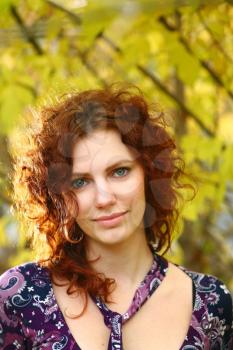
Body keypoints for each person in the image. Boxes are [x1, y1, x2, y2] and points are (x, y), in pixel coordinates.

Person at [0, 85, 232, 350]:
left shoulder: (211, 303)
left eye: (119, 171)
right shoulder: (18, 297)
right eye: (80, 182)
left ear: (149, 174)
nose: (104, 198)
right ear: (59, 196)